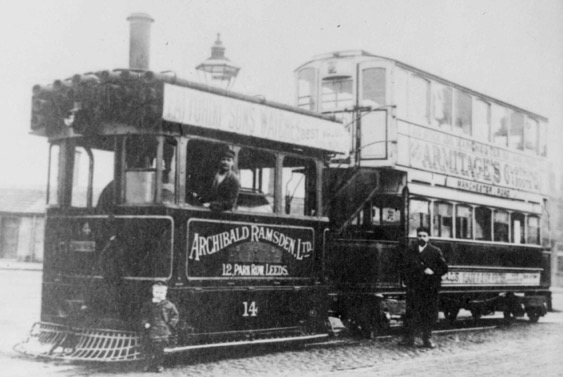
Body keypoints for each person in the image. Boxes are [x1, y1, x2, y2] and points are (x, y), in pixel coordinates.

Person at [400, 226, 448, 348]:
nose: (421, 238)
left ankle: (427, 339)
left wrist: (433, 271)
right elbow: (405, 267)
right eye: (419, 235)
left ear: (428, 237)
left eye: (424, 236)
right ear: (417, 237)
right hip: (414, 287)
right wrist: (408, 279)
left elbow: (444, 268)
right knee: (412, 313)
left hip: (429, 288)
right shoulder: (411, 250)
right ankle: (409, 339)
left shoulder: (435, 251)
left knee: (428, 314)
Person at [140, 281, 179, 373]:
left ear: (165, 293)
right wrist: (145, 323)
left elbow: (175, 315)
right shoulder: (148, 304)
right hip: (150, 330)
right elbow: (143, 315)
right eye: (156, 292)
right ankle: (147, 364)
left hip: (162, 331)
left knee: (159, 350)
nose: (158, 295)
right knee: (148, 348)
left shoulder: (169, 305)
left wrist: (169, 324)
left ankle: (158, 365)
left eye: (161, 292)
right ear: (153, 292)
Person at [203, 147, 240, 212]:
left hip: (224, 212)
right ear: (220, 161)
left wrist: (211, 204)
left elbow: (230, 203)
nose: (225, 162)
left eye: (229, 160)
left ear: (233, 163)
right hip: (209, 209)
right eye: (223, 159)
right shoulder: (213, 175)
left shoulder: (234, 180)